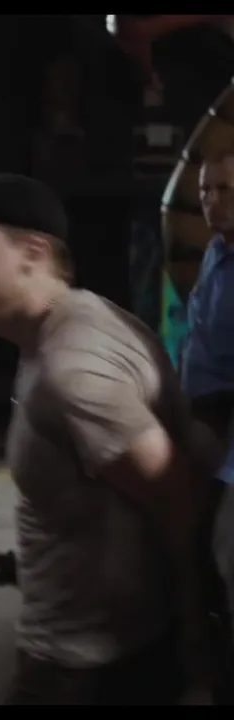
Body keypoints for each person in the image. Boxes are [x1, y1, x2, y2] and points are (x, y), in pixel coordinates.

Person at [0, 173, 209, 705]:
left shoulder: (73, 370)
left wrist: (198, 656)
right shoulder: (72, 322)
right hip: (96, 651)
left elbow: (181, 504)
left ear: (33, 253)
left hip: (85, 666)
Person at [187, 151, 234, 700]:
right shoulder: (215, 252)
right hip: (206, 414)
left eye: (225, 189)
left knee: (229, 543)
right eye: (206, 190)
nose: (213, 201)